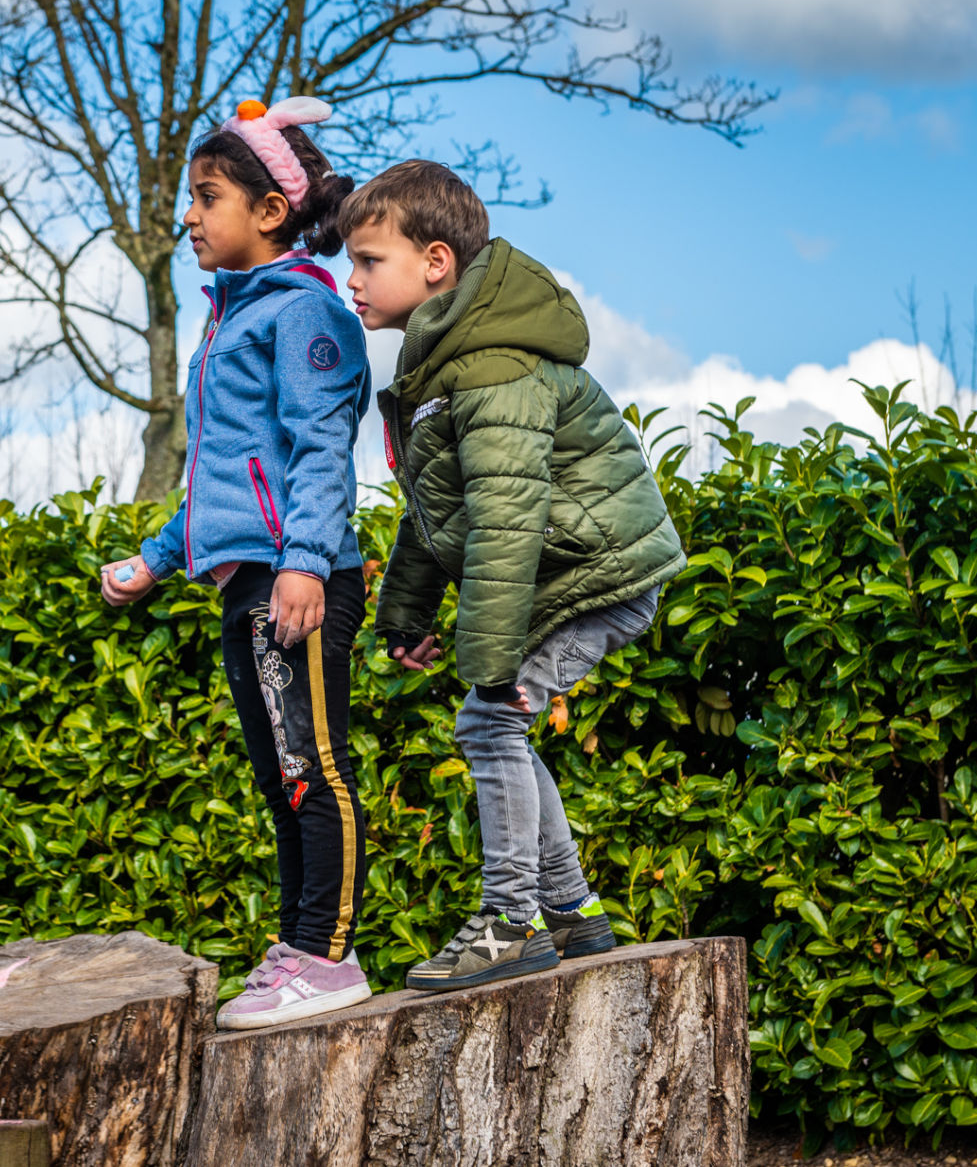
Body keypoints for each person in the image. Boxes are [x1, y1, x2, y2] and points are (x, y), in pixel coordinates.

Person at [339, 160, 686, 992]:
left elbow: (504, 520)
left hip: (601, 567)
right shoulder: (441, 369)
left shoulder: (494, 367)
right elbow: (436, 509)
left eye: (367, 261)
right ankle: (570, 912)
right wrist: (406, 614)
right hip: (570, 567)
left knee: (490, 720)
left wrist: (486, 658)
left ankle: (511, 921)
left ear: (435, 262)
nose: (350, 280)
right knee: (495, 724)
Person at [101, 97, 376, 1030]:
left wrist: (304, 562)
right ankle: (300, 945)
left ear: (269, 211)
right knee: (278, 774)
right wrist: (155, 558)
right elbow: (219, 478)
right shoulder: (231, 321)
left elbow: (320, 450)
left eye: (205, 195)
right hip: (248, 578)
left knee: (314, 767)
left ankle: (327, 957)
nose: (188, 215)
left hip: (298, 580)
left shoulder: (304, 314)